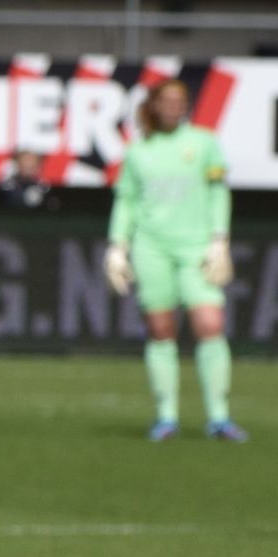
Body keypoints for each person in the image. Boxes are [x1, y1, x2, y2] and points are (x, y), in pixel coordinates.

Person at [103, 79, 244, 442]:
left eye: (179, 100)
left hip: (196, 246)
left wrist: (219, 239)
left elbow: (217, 192)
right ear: (153, 105)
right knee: (161, 328)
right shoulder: (138, 151)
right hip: (152, 246)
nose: (172, 107)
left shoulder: (203, 144)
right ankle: (166, 416)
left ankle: (219, 417)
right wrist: (118, 245)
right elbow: (127, 201)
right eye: (166, 100)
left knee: (209, 322)